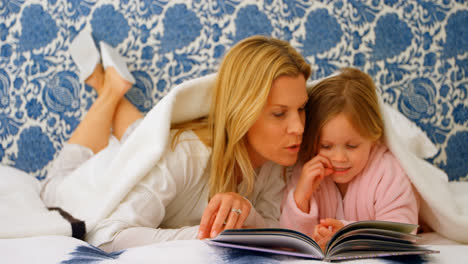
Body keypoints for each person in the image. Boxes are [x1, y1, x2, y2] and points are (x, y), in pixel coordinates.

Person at [41, 34, 312, 252]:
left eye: (301, 108)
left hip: (168, 153)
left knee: (139, 132)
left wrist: (246, 211)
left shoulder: (276, 159)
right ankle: (105, 86)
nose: (299, 128)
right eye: (279, 113)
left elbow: (268, 231)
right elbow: (107, 236)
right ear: (241, 112)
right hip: (96, 177)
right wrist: (210, 235)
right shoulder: (187, 155)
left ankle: (108, 84)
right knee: (55, 182)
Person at [279, 67, 419, 250]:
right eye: (325, 146)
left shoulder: (387, 172)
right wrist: (301, 197)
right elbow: (288, 240)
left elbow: (402, 233)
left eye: (352, 146)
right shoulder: (307, 172)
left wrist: (348, 235)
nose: (339, 158)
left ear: (373, 137)